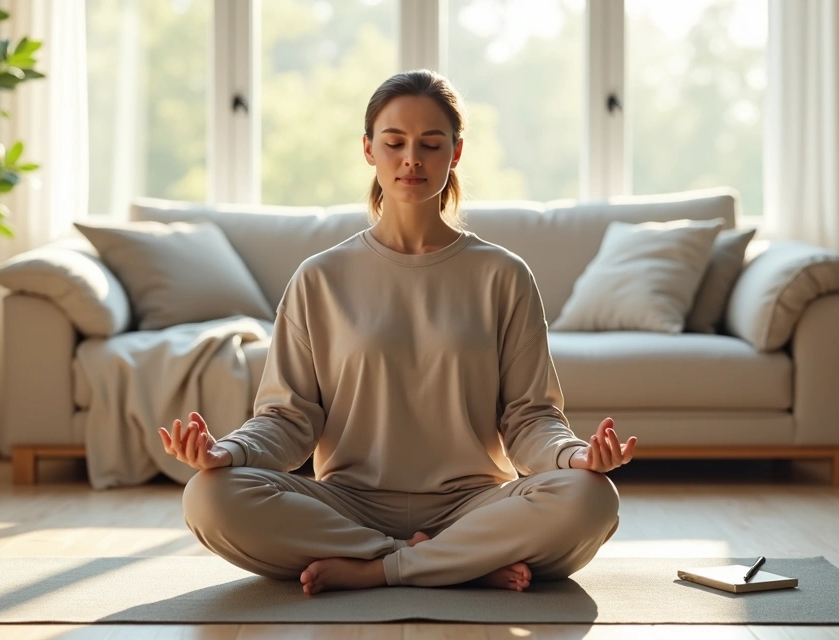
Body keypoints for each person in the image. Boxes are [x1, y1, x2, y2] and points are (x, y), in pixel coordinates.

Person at [158, 69, 637, 596]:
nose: (412, 158)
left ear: (455, 153)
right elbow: (287, 418)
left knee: (592, 497)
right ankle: (455, 564)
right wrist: (228, 453)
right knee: (207, 496)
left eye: (431, 144)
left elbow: (530, 418)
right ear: (369, 149)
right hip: (347, 504)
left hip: (474, 505)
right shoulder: (319, 278)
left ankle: (379, 567)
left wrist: (575, 456)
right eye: (394, 143)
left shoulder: (504, 275)